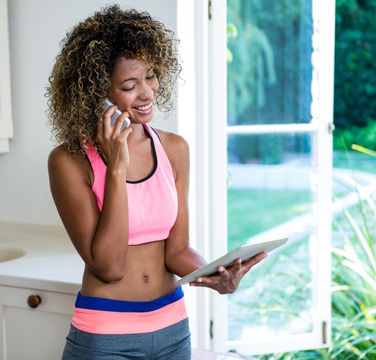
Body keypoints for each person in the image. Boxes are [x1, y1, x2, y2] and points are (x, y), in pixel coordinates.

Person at [46, 5, 267, 359]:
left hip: (172, 331)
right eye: (130, 86)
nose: (148, 93)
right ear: (95, 92)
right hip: (106, 336)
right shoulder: (68, 160)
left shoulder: (174, 148)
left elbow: (176, 250)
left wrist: (216, 274)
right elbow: (108, 266)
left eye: (151, 76)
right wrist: (116, 167)